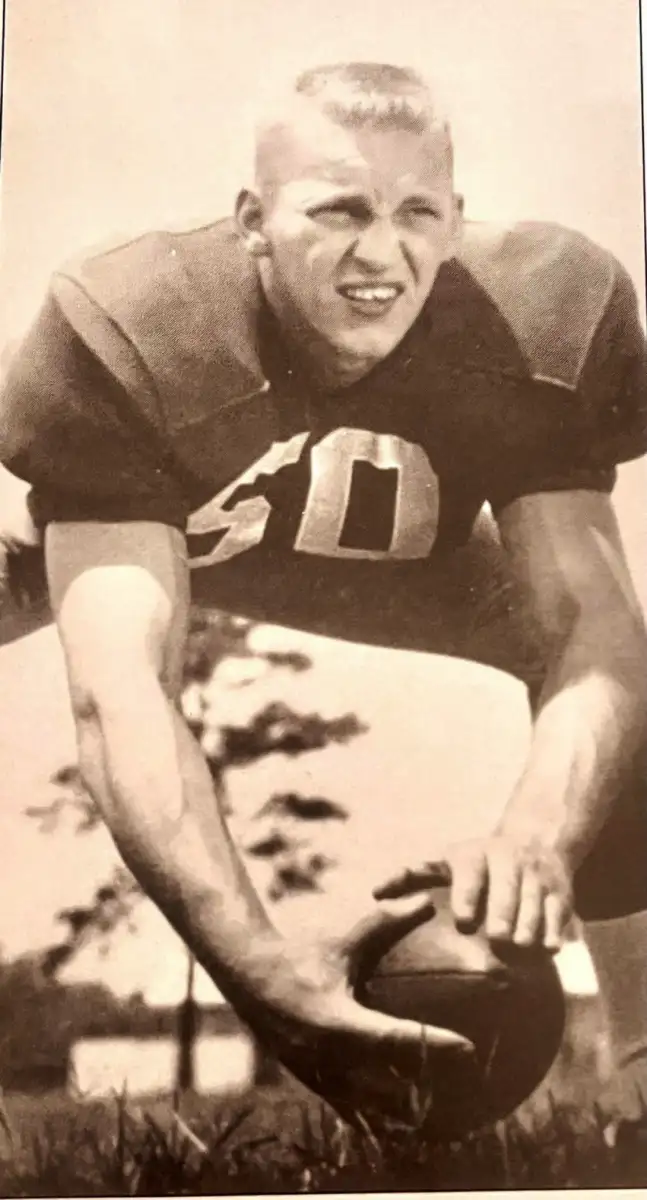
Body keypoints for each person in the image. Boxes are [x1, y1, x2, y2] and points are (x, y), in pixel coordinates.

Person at [0, 62, 646, 1131]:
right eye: (338, 209)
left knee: (622, 691)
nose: (380, 253)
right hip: (159, 526)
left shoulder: (543, 309)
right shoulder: (130, 319)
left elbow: (592, 629)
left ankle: (638, 1077)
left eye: (414, 213)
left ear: (455, 218)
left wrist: (538, 833)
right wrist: (261, 975)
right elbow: (123, 702)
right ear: (252, 219)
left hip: (396, 548)